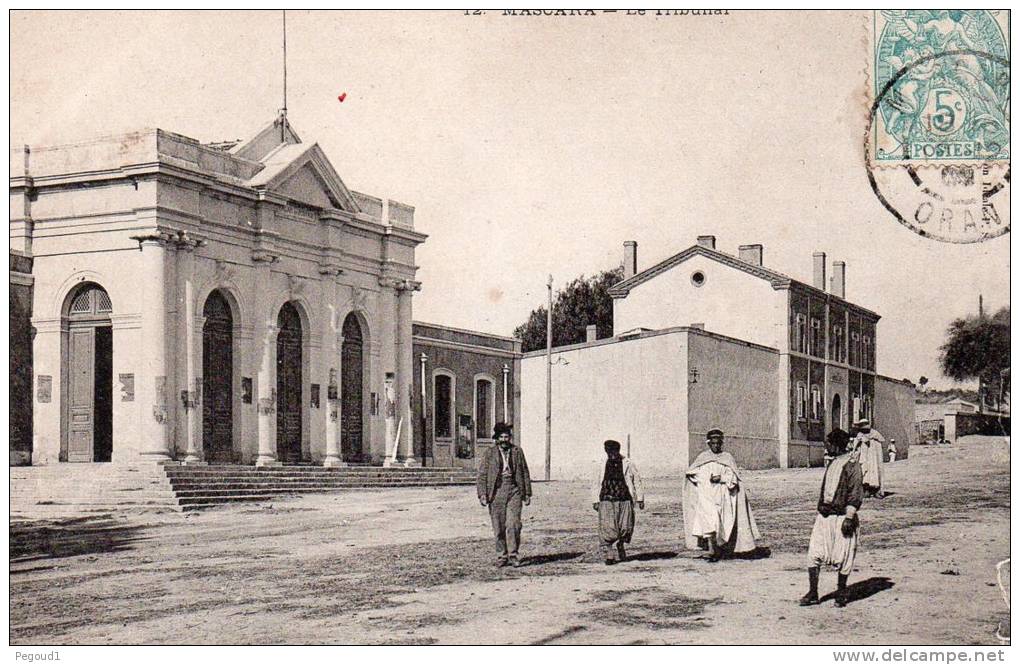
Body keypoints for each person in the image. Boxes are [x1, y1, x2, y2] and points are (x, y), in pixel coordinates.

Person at [801, 433, 864, 608]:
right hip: (825, 517)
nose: (826, 447)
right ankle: (813, 593)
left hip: (843, 517)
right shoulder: (832, 464)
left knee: (843, 556)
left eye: (829, 444)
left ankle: (841, 592)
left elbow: (855, 493)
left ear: (836, 445)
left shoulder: (853, 466)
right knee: (814, 553)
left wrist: (849, 518)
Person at [682, 429, 761, 561]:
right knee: (710, 523)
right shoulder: (703, 458)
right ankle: (713, 551)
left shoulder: (727, 458)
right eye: (713, 443)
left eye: (718, 443)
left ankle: (723, 549)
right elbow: (692, 473)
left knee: (724, 523)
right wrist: (702, 479)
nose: (716, 446)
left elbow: (734, 478)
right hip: (707, 497)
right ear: (709, 443)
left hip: (724, 497)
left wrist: (722, 478)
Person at [476, 422, 532, 567]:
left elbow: (524, 472)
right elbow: (482, 474)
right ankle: (502, 555)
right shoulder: (489, 453)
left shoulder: (517, 451)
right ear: (497, 438)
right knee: (499, 526)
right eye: (501, 437)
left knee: (514, 524)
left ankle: (513, 555)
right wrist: (482, 494)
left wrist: (527, 493)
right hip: (496, 492)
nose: (504, 440)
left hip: (514, 490)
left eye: (507, 437)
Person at [590, 439, 645, 565]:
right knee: (608, 528)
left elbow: (637, 480)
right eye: (609, 452)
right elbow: (595, 482)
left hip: (624, 498)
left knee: (625, 527)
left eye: (614, 451)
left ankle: (620, 544)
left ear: (618, 450)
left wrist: (640, 498)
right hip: (606, 499)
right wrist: (595, 500)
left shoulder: (628, 463)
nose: (612, 454)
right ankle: (610, 554)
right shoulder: (601, 464)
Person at [853, 418, 886, 497]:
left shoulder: (875, 433)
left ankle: (876, 491)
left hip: (873, 457)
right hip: (864, 457)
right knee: (864, 472)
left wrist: (871, 442)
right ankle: (866, 490)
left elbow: (880, 443)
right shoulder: (860, 434)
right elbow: (855, 446)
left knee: (874, 472)